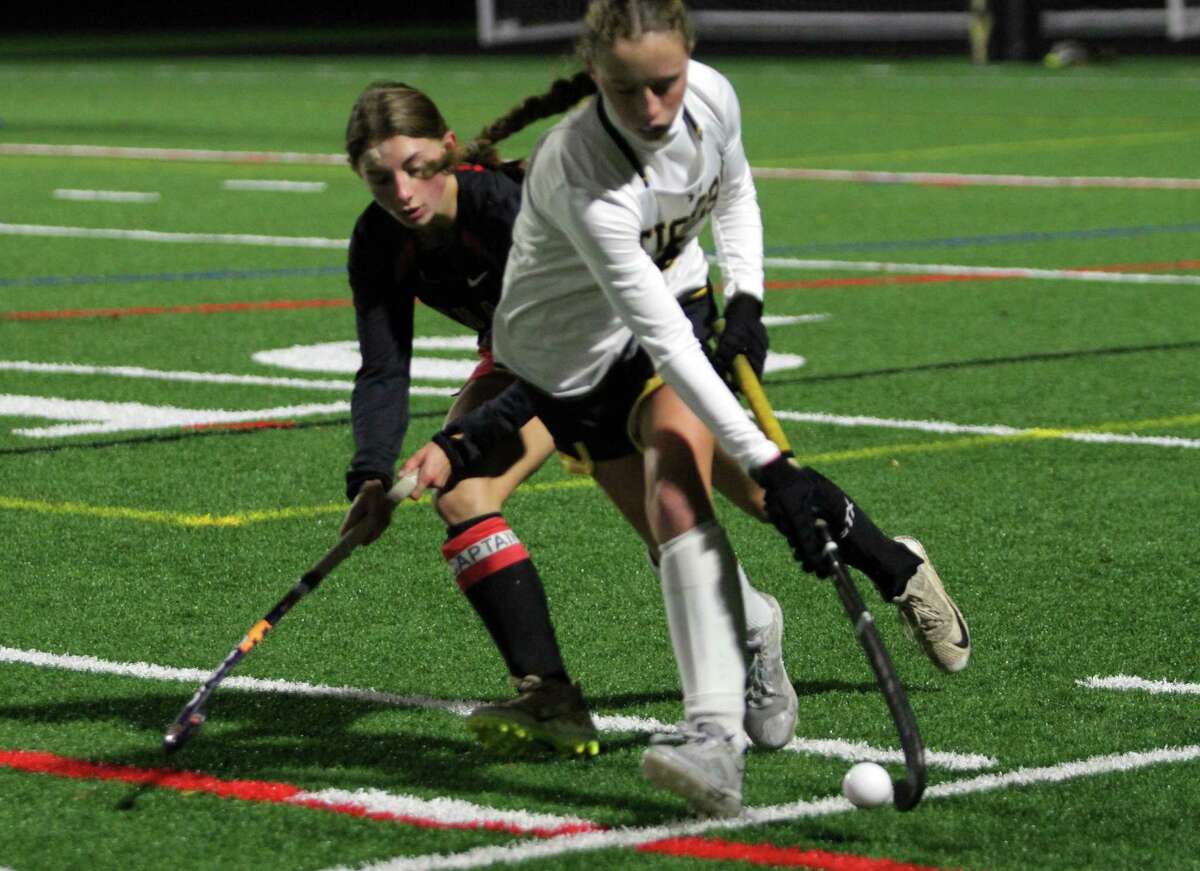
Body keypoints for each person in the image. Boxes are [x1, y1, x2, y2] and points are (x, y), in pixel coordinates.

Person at [401, 0, 970, 818]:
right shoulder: (581, 174)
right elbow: (658, 337)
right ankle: (757, 625)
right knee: (707, 508)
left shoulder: (711, 96)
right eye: (629, 92)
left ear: (690, 60)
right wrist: (776, 465)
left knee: (684, 494)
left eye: (665, 84)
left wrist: (748, 298)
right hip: (569, 368)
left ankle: (721, 733)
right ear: (594, 76)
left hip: (665, 321)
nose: (653, 110)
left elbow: (733, 191)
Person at [339, 81, 600, 758]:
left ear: (447, 151)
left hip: (612, 349)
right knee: (461, 494)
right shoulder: (378, 240)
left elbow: (570, 349)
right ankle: (551, 696)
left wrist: (459, 438)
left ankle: (895, 572)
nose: (400, 192)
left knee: (701, 510)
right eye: (379, 177)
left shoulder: (503, 209)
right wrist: (369, 475)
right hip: (525, 361)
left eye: (416, 168)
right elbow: (383, 370)